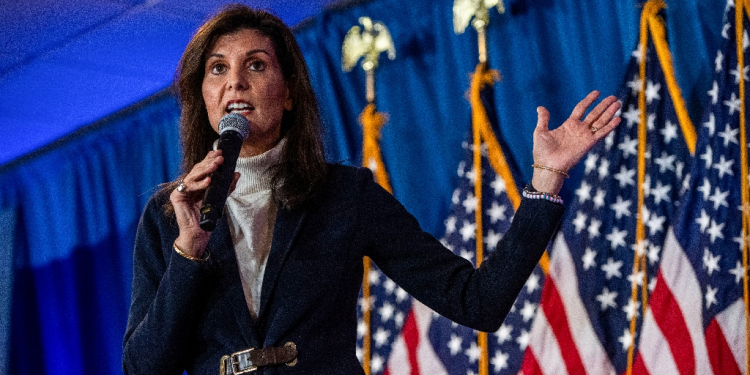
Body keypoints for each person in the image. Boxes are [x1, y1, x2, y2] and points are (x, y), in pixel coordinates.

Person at [122, 4, 621, 375]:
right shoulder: (168, 215)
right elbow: (145, 369)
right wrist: (188, 251)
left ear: (289, 91)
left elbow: (478, 302)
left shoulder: (343, 195)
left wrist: (545, 181)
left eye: (256, 65)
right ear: (202, 96)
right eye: (218, 69)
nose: (236, 83)